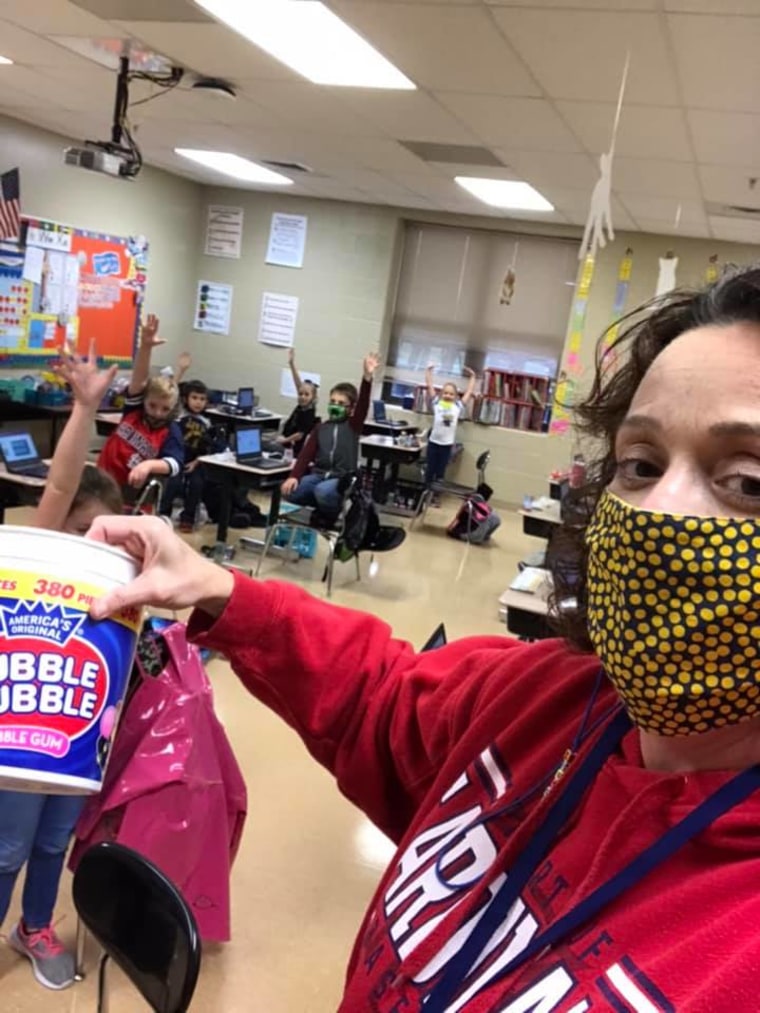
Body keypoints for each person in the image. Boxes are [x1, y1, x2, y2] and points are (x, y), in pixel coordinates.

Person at [87, 264, 760, 1010]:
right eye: (641, 463)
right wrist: (222, 590)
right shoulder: (553, 696)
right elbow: (384, 697)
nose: (662, 507)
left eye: (748, 480)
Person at [0, 342, 122, 991]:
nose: (89, 546)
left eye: (102, 533)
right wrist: (83, 409)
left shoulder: (113, 587)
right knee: (8, 846)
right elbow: (60, 486)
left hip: (77, 739)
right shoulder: (38, 564)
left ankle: (36, 924)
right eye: (78, 531)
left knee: (53, 843)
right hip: (20, 735)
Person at [281, 352, 379, 522]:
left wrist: (367, 377)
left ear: (350, 408)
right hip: (319, 475)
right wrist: (293, 477)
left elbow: (363, 403)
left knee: (323, 491)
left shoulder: (353, 425)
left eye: (341, 404)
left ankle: (333, 513)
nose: (336, 406)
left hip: (342, 478)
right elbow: (305, 455)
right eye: (333, 402)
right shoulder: (321, 428)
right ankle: (321, 508)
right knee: (290, 491)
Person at [97, 313, 184, 503]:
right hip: (104, 479)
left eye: (165, 409)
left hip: (130, 493)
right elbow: (140, 377)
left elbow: (175, 464)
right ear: (144, 400)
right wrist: (145, 346)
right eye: (153, 405)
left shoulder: (171, 429)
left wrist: (148, 465)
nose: (157, 412)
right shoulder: (134, 409)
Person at [159, 377, 218, 532]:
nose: (198, 402)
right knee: (173, 482)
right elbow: (169, 392)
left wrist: (196, 462)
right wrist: (181, 370)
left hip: (195, 461)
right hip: (176, 458)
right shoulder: (179, 415)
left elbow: (208, 448)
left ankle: (188, 518)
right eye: (194, 398)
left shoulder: (207, 422)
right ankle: (163, 515)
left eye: (202, 399)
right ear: (185, 399)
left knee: (197, 484)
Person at [424, 364, 476, 499]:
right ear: (441, 394)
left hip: (446, 445)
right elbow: (429, 386)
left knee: (440, 472)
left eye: (451, 394)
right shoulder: (437, 403)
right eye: (445, 393)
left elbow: (469, 392)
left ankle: (436, 495)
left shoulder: (457, 406)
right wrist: (428, 371)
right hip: (433, 443)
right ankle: (425, 493)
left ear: (456, 396)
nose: (448, 395)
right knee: (430, 469)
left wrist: (472, 377)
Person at [276, 348, 318, 458]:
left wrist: (284, 440)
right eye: (300, 394)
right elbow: (299, 385)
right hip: (287, 442)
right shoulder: (303, 406)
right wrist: (291, 364)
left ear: (313, 397)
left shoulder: (309, 412)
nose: (302, 397)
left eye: (306, 395)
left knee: (264, 445)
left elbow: (300, 435)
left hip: (292, 448)